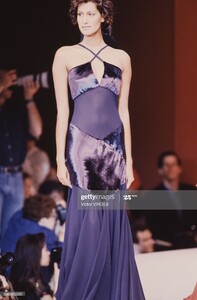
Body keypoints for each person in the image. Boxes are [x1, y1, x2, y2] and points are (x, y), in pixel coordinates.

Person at [52, 0, 146, 299]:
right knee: (89, 222)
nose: (84, 19)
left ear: (104, 16)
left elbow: (125, 111)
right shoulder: (64, 54)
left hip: (114, 146)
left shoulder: (122, 57)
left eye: (90, 13)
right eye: (80, 14)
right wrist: (59, 157)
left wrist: (130, 160)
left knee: (113, 221)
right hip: (80, 146)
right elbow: (61, 112)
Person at [0, 79, 42, 243]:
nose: (11, 85)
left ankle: (4, 267)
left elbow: (37, 130)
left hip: (17, 176)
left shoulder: (15, 110)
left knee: (11, 230)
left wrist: (29, 98)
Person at [10, 233, 54, 300]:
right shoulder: (23, 289)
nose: (49, 252)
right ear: (36, 255)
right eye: (45, 249)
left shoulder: (38, 275)